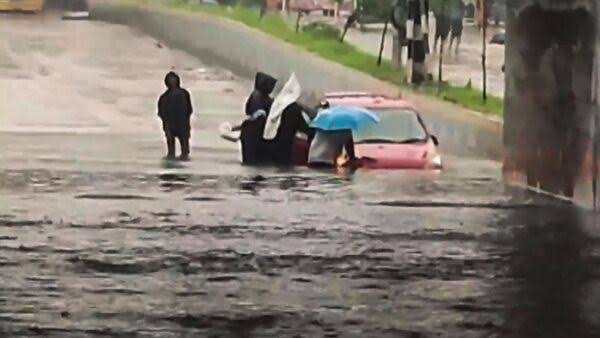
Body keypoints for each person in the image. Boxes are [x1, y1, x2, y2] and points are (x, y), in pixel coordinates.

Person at [240, 72, 277, 164]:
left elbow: (247, 110)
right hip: (256, 133)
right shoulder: (260, 98)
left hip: (249, 133)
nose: (272, 89)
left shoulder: (255, 95)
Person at [158, 71, 193, 161]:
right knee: (171, 151)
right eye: (170, 81)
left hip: (182, 124)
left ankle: (183, 166)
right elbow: (161, 113)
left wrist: (187, 122)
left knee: (184, 150)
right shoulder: (164, 97)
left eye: (173, 80)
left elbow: (189, 110)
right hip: (171, 125)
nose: (172, 83)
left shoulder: (184, 94)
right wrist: (166, 125)